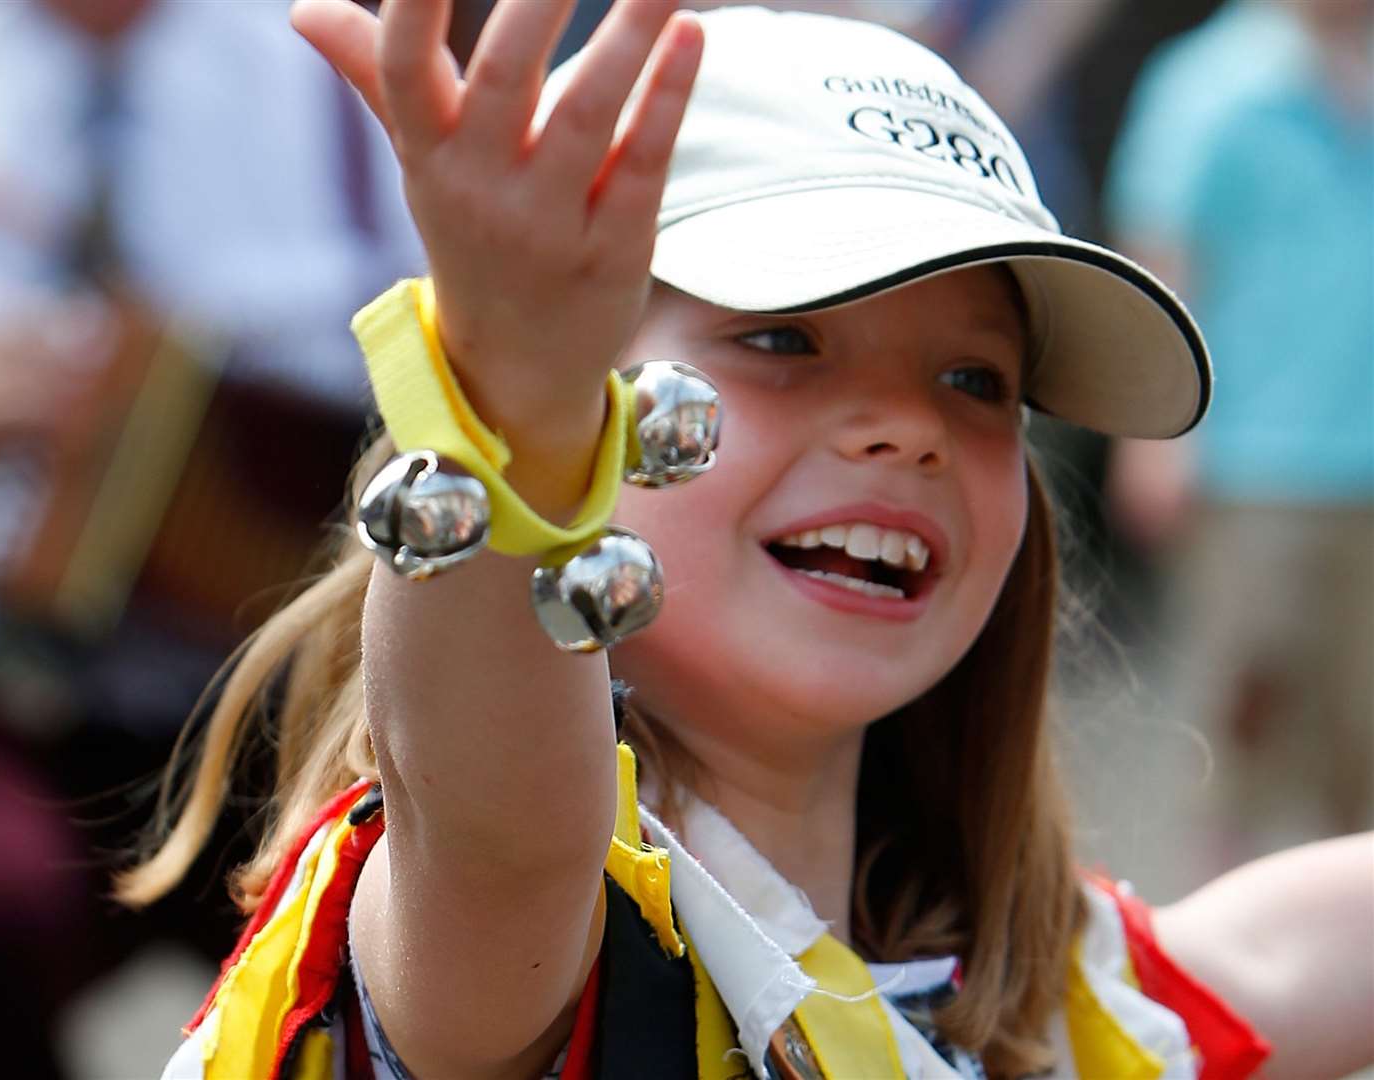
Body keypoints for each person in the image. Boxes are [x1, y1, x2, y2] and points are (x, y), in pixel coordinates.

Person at [119, 3, 1374, 1079]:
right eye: (783, 338)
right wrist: (509, 421)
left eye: (976, 379)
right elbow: (496, 832)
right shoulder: (506, 949)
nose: (904, 427)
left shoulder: (1075, 1008)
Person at [1104, 0, 1373, 889]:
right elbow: (1160, 253)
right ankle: (1215, 948)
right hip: (1252, 463)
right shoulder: (1209, 81)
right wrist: (1154, 437)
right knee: (1236, 726)